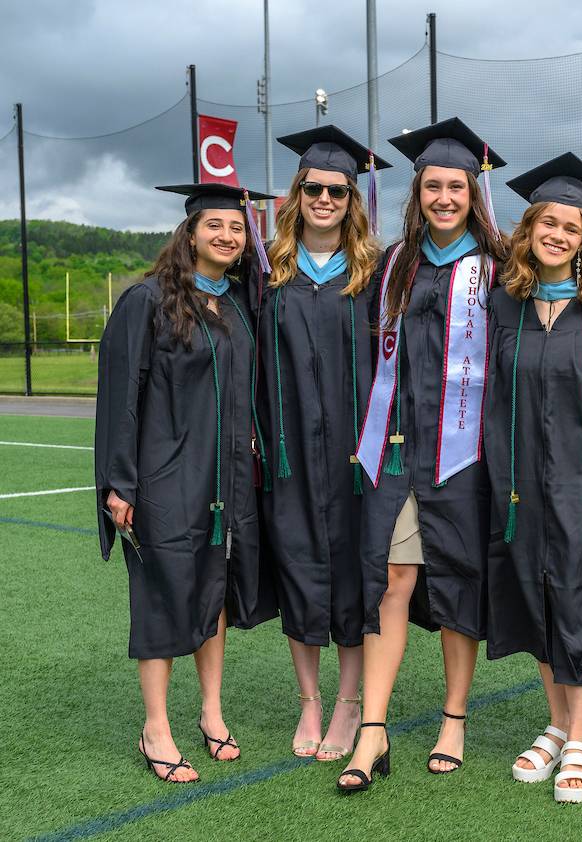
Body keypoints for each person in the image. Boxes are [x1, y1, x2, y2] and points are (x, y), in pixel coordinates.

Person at [339, 118, 508, 787]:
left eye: (455, 187)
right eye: (433, 185)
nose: (444, 196)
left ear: (473, 195)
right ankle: (372, 731)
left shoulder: (496, 271)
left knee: (459, 580)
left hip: (464, 454)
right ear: (419, 193)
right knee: (391, 580)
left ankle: (454, 718)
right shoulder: (394, 266)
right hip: (397, 449)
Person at [96, 182, 275, 782]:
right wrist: (119, 484)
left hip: (224, 476)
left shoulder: (240, 304)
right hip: (164, 476)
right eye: (215, 226)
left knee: (212, 591)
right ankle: (156, 728)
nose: (227, 236)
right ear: (190, 232)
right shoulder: (146, 301)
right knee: (160, 593)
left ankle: (211, 713)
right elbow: (120, 399)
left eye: (237, 227)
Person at [483, 153, 582, 803]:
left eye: (571, 228)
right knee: (538, 600)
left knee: (578, 605)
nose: (557, 235)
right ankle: (555, 722)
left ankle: (579, 736)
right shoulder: (504, 307)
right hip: (520, 488)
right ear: (529, 231)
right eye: (548, 222)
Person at [260, 125, 390, 762]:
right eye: (313, 188)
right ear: (297, 194)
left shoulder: (372, 276)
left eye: (338, 190)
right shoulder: (269, 277)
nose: (325, 198)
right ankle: (309, 700)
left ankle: (348, 703)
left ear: (352, 199)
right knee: (300, 565)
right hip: (288, 453)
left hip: (354, 454)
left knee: (350, 574)